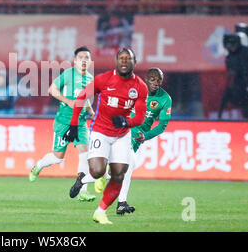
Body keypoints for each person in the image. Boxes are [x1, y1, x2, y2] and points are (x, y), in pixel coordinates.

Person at [63, 47, 147, 224]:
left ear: (135, 62)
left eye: (128, 59)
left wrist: (127, 123)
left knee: (119, 174)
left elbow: (139, 117)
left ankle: (100, 212)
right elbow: (81, 96)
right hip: (100, 131)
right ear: (116, 61)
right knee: (97, 171)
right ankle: (85, 178)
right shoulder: (104, 79)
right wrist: (73, 124)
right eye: (121, 58)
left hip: (122, 135)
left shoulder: (140, 86)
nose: (124, 61)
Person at [94, 68, 172, 215]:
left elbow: (162, 126)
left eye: (159, 79)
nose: (156, 82)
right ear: (147, 79)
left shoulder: (165, 99)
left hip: (137, 139)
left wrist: (146, 136)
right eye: (153, 79)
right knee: (127, 167)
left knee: (123, 168)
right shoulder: (135, 89)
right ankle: (121, 202)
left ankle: (85, 180)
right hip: (124, 134)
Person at [29, 46, 96, 202]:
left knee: (85, 155)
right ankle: (38, 166)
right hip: (63, 122)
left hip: (80, 122)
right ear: (75, 61)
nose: (84, 60)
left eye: (87, 58)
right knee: (58, 157)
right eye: (81, 58)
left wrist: (91, 112)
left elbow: (85, 99)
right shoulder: (68, 74)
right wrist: (68, 101)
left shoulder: (91, 79)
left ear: (90, 61)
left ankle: (82, 191)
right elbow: (51, 89)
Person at [218, 33, 248, 119]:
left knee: (246, 100)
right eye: (229, 45)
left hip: (246, 82)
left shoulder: (245, 52)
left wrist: (247, 79)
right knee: (226, 98)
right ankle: (219, 118)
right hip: (234, 82)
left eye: (233, 45)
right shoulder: (230, 55)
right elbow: (229, 67)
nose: (231, 47)